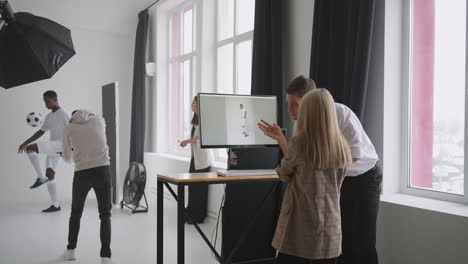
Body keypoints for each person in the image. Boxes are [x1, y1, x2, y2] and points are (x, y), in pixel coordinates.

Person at [259, 75, 382, 264]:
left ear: (311, 100)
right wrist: (283, 141)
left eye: (295, 104)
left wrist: (316, 162)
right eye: (288, 104)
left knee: (360, 242)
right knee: (336, 243)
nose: (291, 110)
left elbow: (350, 156)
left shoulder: (341, 113)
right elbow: (300, 159)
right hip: (335, 181)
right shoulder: (303, 124)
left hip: (362, 180)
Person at [273, 89, 352, 263]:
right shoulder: (342, 146)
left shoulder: (300, 143)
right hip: (330, 229)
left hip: (300, 228)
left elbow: (284, 173)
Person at [62, 110, 114, 264]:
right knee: (105, 215)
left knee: (76, 212)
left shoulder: (68, 128)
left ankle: (71, 250)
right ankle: (105, 256)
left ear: (72, 117)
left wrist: (74, 152)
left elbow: (66, 157)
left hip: (82, 172)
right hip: (103, 170)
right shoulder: (99, 120)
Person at [18, 90, 70, 212]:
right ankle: (56, 205)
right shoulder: (49, 116)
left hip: (60, 144)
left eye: (48, 101)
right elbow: (40, 132)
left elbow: (73, 131)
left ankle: (40, 177)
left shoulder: (64, 113)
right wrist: (25, 142)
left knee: (30, 149)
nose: (45, 104)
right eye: (44, 102)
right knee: (50, 176)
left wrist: (70, 149)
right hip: (53, 146)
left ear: (55, 99)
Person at [180, 96, 213, 224]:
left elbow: (202, 141)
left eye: (194, 102)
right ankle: (190, 213)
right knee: (192, 187)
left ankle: (198, 216)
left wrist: (187, 141)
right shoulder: (195, 120)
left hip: (203, 160)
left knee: (200, 189)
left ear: (200, 105)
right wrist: (188, 142)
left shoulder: (205, 120)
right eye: (192, 102)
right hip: (195, 159)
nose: (192, 104)